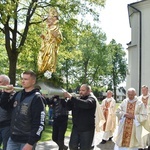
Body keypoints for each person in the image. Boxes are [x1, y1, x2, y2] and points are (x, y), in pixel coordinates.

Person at [0, 70, 45, 150]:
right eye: (22, 79)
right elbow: (5, 106)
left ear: (33, 81)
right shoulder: (18, 94)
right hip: (13, 138)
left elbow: (39, 124)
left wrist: (31, 143)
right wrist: (6, 94)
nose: (23, 81)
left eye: (26, 79)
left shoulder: (37, 98)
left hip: (26, 141)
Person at [64, 84, 96, 150]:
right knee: (72, 146)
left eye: (83, 90)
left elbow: (85, 104)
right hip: (76, 128)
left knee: (85, 148)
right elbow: (67, 107)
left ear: (89, 91)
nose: (80, 92)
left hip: (87, 129)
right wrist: (64, 99)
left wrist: (72, 98)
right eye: (80, 90)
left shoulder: (91, 99)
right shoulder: (77, 99)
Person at [38, 7, 63, 74]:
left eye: (50, 19)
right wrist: (43, 37)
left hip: (51, 46)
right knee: (41, 58)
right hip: (45, 46)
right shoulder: (48, 29)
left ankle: (49, 73)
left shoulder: (56, 28)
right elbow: (47, 38)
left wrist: (56, 36)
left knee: (50, 60)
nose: (48, 21)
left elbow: (60, 39)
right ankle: (42, 72)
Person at [0, 75, 12, 150]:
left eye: (0, 82)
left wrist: (6, 94)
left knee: (6, 147)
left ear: (6, 83)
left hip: (6, 125)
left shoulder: (12, 94)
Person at [138, 85, 150, 150]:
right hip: (141, 117)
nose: (143, 91)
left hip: (149, 117)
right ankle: (141, 146)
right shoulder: (139, 98)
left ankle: (149, 144)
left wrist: (146, 106)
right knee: (142, 131)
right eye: (142, 90)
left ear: (147, 90)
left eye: (145, 90)